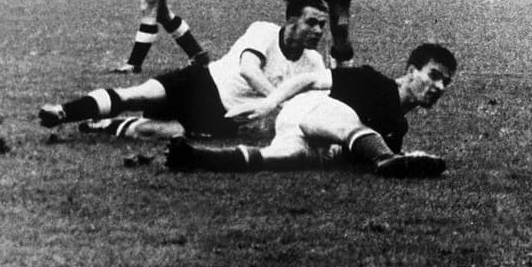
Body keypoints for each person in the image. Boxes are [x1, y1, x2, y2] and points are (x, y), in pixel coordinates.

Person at [38, 0, 332, 139]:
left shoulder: (314, 63)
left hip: (222, 114)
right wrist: (276, 102)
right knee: (137, 95)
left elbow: (318, 105)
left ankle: (105, 125)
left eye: (322, 25)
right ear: (291, 20)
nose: (318, 30)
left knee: (163, 131)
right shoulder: (264, 31)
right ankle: (63, 112)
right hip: (202, 81)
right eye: (311, 22)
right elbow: (248, 70)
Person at [165, 43, 456, 179]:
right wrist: (269, 102)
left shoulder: (398, 127)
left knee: (282, 158)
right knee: (346, 122)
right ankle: (386, 158)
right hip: (307, 110)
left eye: (445, 81)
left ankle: (192, 155)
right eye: (433, 75)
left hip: (309, 137)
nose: (439, 86)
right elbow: (310, 79)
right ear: (411, 71)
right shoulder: (374, 82)